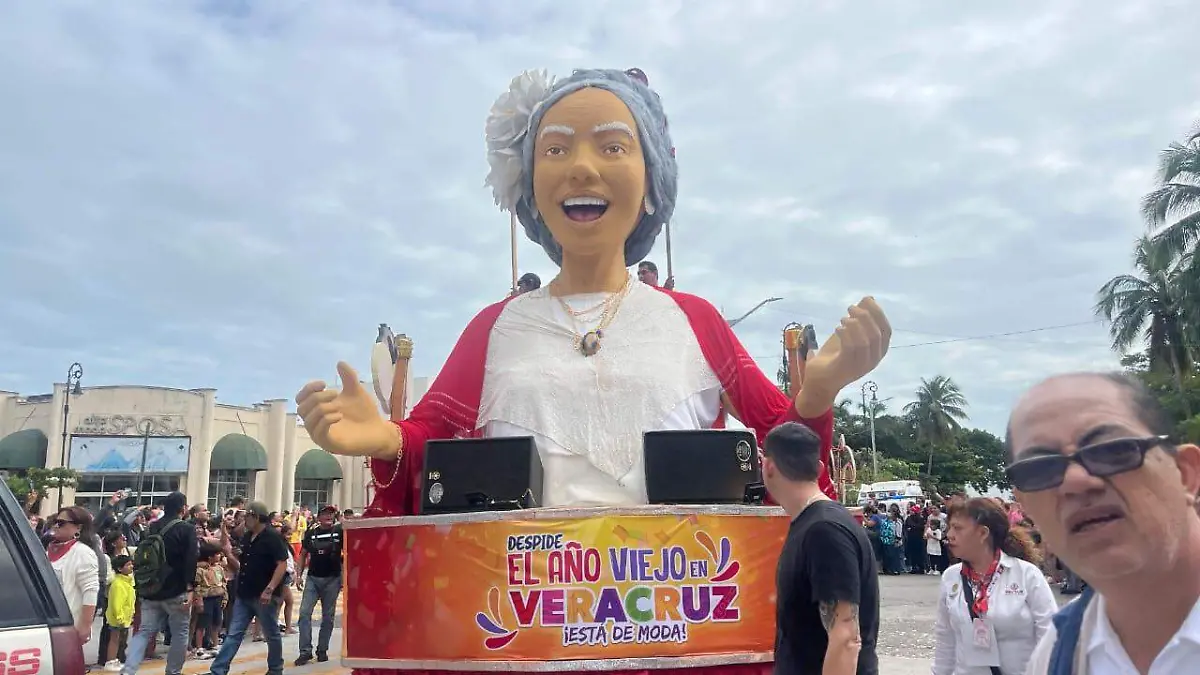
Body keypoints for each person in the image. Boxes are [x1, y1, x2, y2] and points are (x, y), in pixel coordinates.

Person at [1010, 373, 1200, 674]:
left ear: (1185, 474)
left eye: (1112, 451)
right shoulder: (1057, 655)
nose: (1075, 482)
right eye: (1040, 469)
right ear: (1025, 505)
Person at [762, 422, 879, 675]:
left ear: (768, 466)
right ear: (819, 468)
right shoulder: (814, 524)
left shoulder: (824, 530)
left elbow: (846, 637)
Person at [931, 498, 1057, 675]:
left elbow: (1049, 635)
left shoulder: (1026, 574)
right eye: (950, 527)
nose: (949, 534)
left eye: (958, 528)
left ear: (983, 533)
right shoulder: (951, 577)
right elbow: (946, 639)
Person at [205, 501, 289, 675]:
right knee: (234, 634)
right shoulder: (247, 536)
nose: (244, 520)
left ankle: (275, 668)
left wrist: (270, 589)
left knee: (271, 634)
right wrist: (229, 553)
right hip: (244, 593)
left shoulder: (272, 537)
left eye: (247, 516)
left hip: (263, 595)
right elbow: (240, 564)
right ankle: (218, 670)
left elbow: (282, 564)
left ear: (256, 517)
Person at [120, 491, 197, 675]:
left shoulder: (151, 527)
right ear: (183, 508)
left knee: (144, 631)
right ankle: (173, 671)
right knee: (179, 633)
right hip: (176, 590)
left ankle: (128, 670)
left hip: (151, 588)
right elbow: (191, 560)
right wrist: (190, 587)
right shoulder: (186, 529)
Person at [295, 505, 344, 666]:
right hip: (313, 579)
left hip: (333, 579)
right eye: (325, 513)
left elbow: (349, 552)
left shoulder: (340, 531)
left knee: (328, 617)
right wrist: (298, 575)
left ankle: (322, 650)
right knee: (304, 613)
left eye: (331, 513)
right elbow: (303, 554)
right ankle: (305, 651)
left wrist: (345, 576)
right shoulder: (311, 533)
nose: (329, 516)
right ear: (319, 517)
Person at [47, 505, 100, 646]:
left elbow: (90, 592)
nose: (56, 526)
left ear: (78, 528)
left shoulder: (83, 553)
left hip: (67, 625)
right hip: (46, 623)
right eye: (55, 521)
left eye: (61, 523)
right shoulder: (47, 549)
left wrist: (84, 627)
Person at [103, 555, 136, 672]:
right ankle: (110, 661)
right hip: (117, 619)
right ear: (119, 568)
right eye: (128, 565)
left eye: (131, 563)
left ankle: (115, 659)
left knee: (119, 639)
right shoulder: (118, 584)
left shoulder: (127, 582)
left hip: (123, 618)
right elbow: (117, 604)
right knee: (114, 639)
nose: (131, 566)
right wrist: (120, 618)